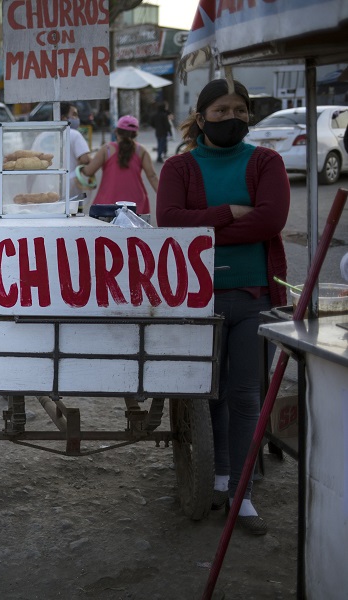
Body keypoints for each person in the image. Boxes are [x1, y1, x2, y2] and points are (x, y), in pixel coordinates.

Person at [156, 78, 290, 536]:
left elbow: (272, 219)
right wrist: (227, 214)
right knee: (209, 393)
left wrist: (206, 229)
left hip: (256, 296)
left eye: (239, 110)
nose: (231, 118)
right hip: (198, 297)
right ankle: (216, 476)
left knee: (247, 395)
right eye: (220, 111)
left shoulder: (266, 161)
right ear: (201, 117)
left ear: (249, 116)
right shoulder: (179, 168)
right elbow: (168, 222)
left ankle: (241, 491)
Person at [80, 115, 158, 216]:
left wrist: (81, 166)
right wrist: (165, 198)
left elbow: (88, 171)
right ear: (135, 134)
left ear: (116, 131)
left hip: (108, 203)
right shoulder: (141, 151)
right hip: (135, 203)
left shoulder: (106, 149)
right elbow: (152, 176)